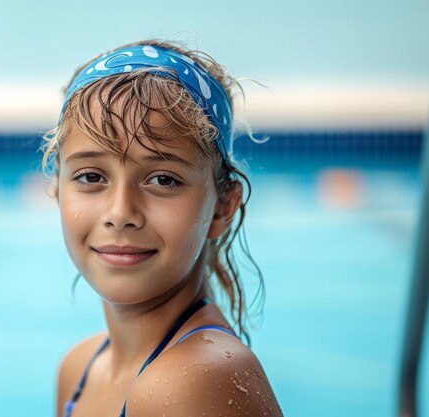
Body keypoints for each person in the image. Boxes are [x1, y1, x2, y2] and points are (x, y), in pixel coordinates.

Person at [40, 39, 283, 417]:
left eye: (163, 180)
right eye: (91, 176)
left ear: (222, 206)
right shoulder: (79, 369)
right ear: (57, 190)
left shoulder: (196, 382)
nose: (121, 213)